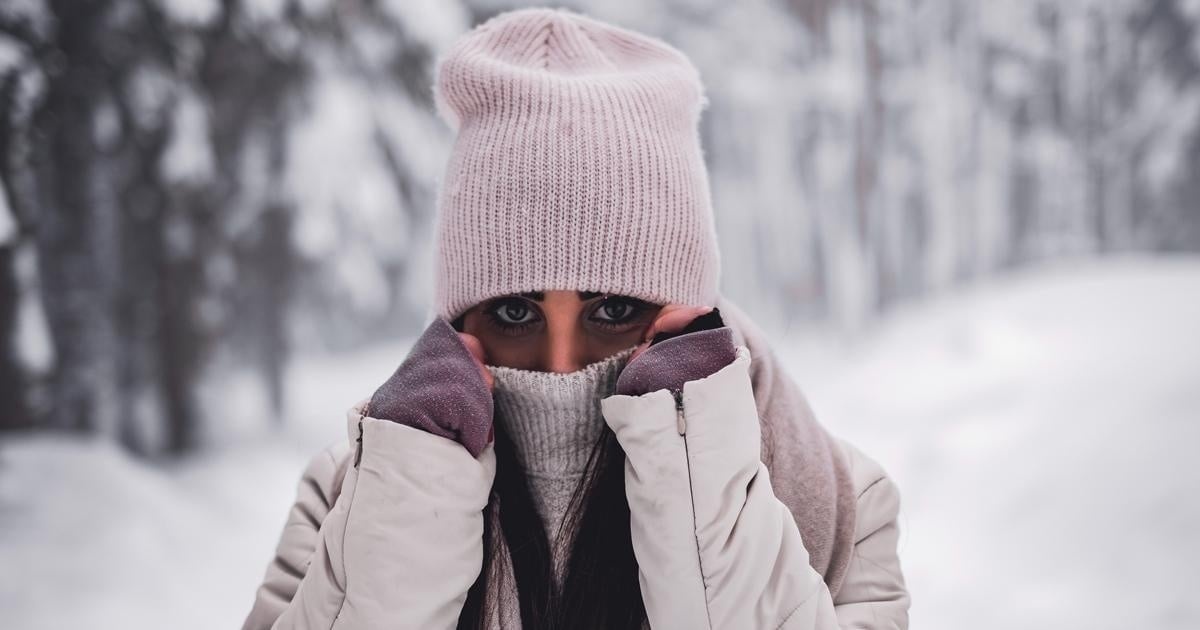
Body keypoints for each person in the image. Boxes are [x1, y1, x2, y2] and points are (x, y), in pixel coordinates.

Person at [240, 6, 910, 630]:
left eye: (613, 310)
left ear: (688, 311)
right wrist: (410, 510)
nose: (563, 366)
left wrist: (698, 479)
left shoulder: (846, 503)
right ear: (459, 321)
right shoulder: (350, 495)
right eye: (514, 310)